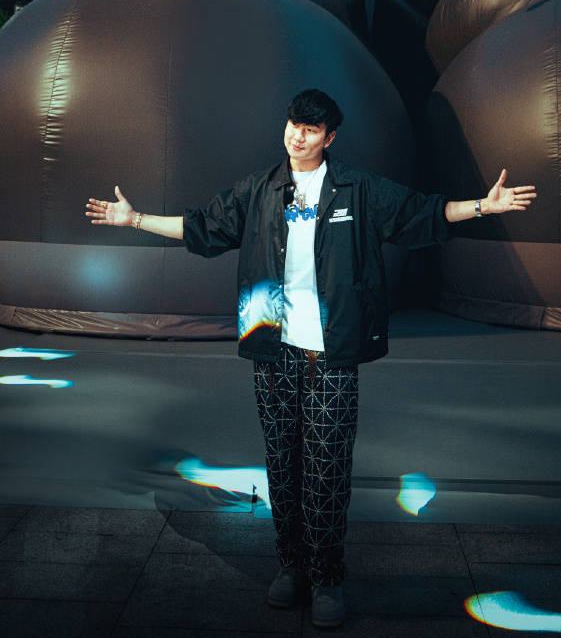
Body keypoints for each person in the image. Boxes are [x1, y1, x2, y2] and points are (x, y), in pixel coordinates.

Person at [86, 88, 536, 629]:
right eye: (293, 125)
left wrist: (484, 206)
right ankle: (291, 566)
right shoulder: (261, 189)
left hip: (332, 354)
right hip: (273, 349)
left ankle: (327, 578)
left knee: (327, 469)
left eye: (311, 129)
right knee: (282, 465)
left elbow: (420, 213)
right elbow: (202, 225)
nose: (298, 136)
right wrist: (135, 219)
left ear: (330, 138)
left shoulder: (357, 188)